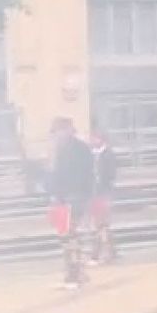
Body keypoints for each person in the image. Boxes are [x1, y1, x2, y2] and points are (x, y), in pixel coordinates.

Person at [46, 117, 95, 289]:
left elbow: (85, 175)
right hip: (60, 198)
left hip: (74, 196)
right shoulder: (58, 150)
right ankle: (73, 271)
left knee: (70, 235)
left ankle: (75, 273)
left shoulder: (80, 149)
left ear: (67, 130)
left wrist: (84, 196)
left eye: (59, 130)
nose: (56, 134)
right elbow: (53, 175)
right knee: (64, 237)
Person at [88, 124, 119, 265]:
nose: (92, 141)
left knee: (101, 224)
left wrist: (101, 182)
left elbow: (110, 174)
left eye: (94, 138)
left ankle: (97, 254)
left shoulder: (108, 154)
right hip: (95, 192)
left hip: (103, 192)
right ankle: (111, 251)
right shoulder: (92, 154)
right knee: (101, 224)